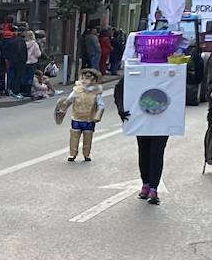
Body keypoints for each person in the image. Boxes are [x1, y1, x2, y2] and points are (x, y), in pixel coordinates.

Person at [115, 71, 168, 205]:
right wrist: (121, 108)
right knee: (145, 151)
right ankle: (146, 184)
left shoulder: (168, 69)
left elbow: (192, 78)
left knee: (155, 152)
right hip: (143, 117)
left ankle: (153, 188)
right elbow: (119, 88)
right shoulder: (139, 69)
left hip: (162, 119)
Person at [56, 67, 104, 162]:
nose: (85, 80)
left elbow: (101, 105)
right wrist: (62, 110)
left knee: (88, 137)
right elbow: (68, 101)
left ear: (94, 80)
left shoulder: (96, 93)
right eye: (84, 77)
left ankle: (86, 154)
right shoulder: (77, 91)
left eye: (89, 78)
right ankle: (72, 154)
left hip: (89, 119)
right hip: (77, 118)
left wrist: (98, 115)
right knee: (74, 137)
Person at [0, 19, 29, 98]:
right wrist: (24, 60)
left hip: (11, 60)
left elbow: (6, 50)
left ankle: (10, 89)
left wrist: (8, 58)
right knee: (18, 77)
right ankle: (16, 91)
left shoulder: (11, 40)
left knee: (11, 75)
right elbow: (22, 51)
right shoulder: (21, 40)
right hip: (19, 61)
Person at [24, 29, 42, 96]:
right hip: (32, 62)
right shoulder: (34, 44)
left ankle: (23, 90)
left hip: (25, 62)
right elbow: (38, 54)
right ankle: (28, 91)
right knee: (30, 77)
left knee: (24, 76)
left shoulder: (24, 43)